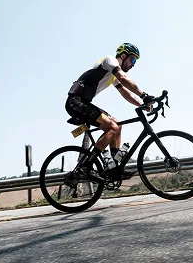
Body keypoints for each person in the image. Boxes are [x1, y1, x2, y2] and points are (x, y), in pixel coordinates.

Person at [65, 42, 155, 178]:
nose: (134, 64)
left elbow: (125, 93)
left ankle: (114, 167)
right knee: (112, 127)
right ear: (123, 56)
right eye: (133, 59)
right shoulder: (110, 61)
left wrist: (142, 105)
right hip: (75, 102)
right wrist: (144, 96)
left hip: (82, 103)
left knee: (117, 125)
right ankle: (85, 167)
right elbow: (124, 79)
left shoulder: (111, 74)